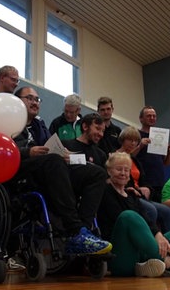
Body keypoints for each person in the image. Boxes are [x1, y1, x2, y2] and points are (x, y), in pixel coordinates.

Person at [9, 86, 112, 254]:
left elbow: (50, 148)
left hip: (49, 170)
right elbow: (5, 151)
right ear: (17, 101)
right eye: (30, 98)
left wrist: (64, 154)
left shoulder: (40, 126)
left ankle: (83, 233)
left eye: (37, 99)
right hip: (23, 169)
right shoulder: (8, 122)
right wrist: (29, 151)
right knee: (54, 161)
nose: (35, 102)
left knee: (97, 173)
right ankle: (75, 229)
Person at [97, 152, 170, 277]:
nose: (123, 173)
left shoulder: (132, 195)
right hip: (122, 256)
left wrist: (161, 238)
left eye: (126, 170)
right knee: (129, 216)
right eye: (118, 169)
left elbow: (148, 221)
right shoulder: (104, 192)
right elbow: (126, 222)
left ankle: (151, 264)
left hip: (143, 252)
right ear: (109, 171)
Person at [114, 126, 170, 233]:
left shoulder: (134, 160)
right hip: (128, 196)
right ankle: (150, 242)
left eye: (135, 141)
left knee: (166, 211)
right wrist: (138, 190)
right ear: (122, 140)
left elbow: (144, 181)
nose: (133, 143)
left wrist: (147, 188)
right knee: (150, 210)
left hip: (141, 196)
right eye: (130, 140)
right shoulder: (114, 157)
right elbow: (121, 182)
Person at [134, 106, 170, 203]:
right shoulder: (136, 135)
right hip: (143, 181)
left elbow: (166, 163)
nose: (152, 118)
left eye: (154, 116)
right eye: (148, 116)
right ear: (141, 118)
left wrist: (169, 152)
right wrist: (140, 146)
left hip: (159, 181)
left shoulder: (160, 136)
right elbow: (129, 156)